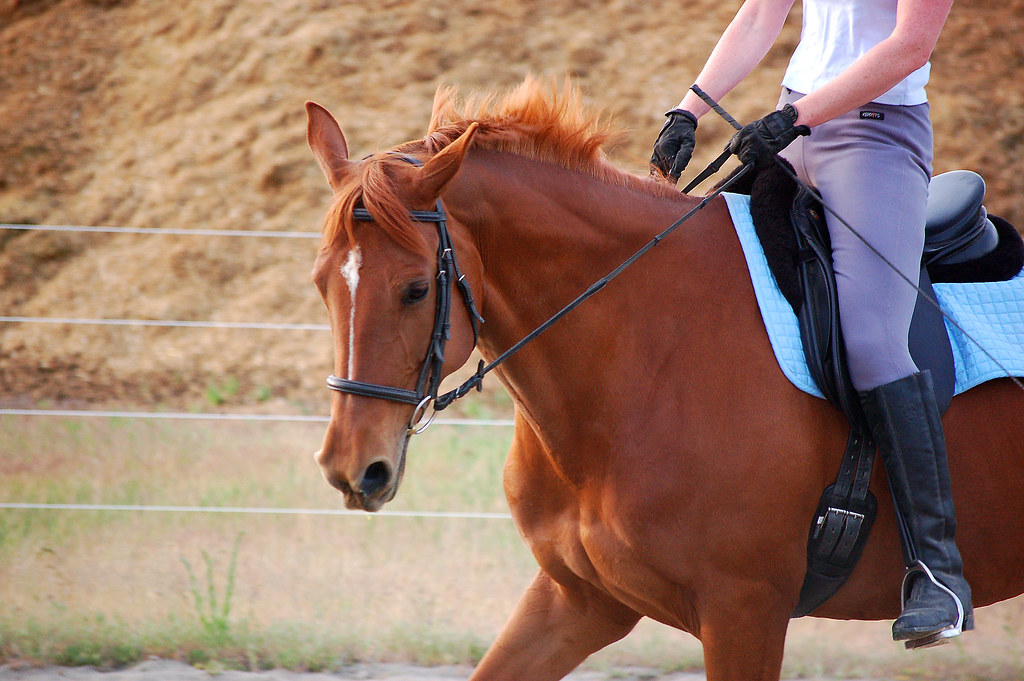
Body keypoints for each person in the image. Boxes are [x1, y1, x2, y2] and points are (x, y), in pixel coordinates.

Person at [650, 0, 972, 648]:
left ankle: (938, 572)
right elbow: (760, 15)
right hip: (794, 128)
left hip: (874, 138)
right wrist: (690, 107)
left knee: (873, 343)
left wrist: (797, 116)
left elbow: (910, 46)